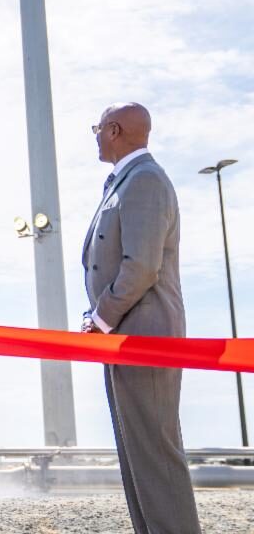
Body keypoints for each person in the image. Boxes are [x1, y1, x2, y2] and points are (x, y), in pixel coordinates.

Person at [82, 102, 200, 534]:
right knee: (138, 456)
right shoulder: (124, 181)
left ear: (113, 130)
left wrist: (101, 319)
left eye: (97, 128)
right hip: (125, 336)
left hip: (146, 336)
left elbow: (142, 267)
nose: (94, 135)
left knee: (155, 456)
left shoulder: (145, 180)